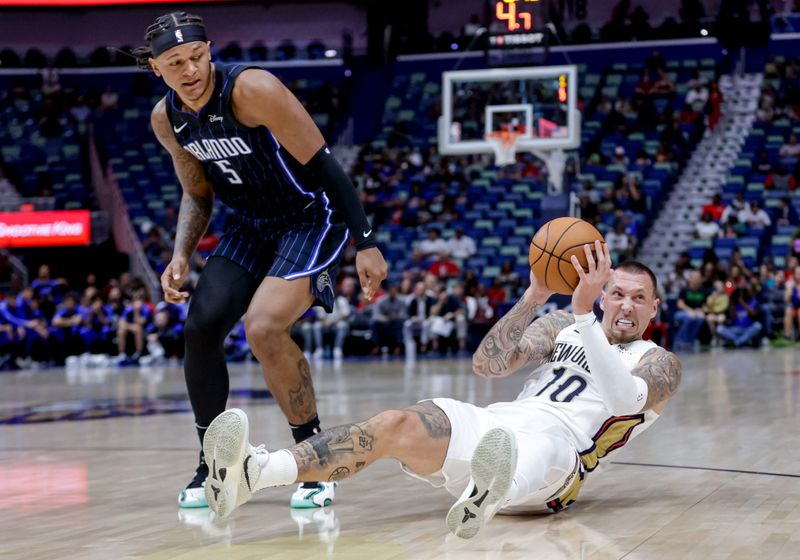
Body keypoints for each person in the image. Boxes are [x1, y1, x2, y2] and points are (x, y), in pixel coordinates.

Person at [199, 245, 681, 540]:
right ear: (602, 295)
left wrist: (582, 315)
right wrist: (535, 296)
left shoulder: (658, 362)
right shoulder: (561, 325)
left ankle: (492, 492)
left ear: (654, 307)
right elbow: (489, 364)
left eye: (639, 298)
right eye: (617, 293)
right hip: (499, 422)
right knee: (395, 424)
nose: (626, 305)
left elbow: (622, 401)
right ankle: (255, 473)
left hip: (561, 462)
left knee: (539, 444)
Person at [135, 12, 388, 509]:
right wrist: (180, 255)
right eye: (175, 62)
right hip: (250, 226)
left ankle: (315, 458)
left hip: (309, 218)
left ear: (210, 51)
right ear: (156, 68)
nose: (190, 70)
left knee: (265, 327)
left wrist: (366, 241)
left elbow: (325, 164)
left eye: (197, 57)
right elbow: (197, 193)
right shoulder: (167, 119)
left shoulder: (252, 89)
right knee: (200, 326)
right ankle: (214, 464)